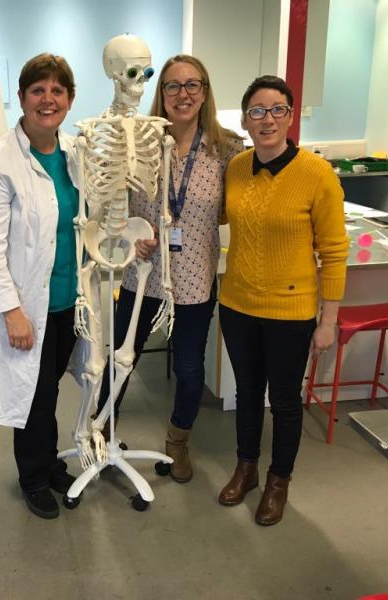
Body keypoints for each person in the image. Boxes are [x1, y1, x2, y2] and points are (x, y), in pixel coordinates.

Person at [95, 55, 244, 483]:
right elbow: (112, 209)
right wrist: (127, 234)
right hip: (143, 274)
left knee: (191, 368)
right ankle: (103, 432)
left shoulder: (226, 149)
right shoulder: (139, 144)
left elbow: (237, 209)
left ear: (205, 91)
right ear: (161, 93)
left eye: (192, 85)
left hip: (195, 279)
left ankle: (177, 443)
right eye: (173, 86)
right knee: (119, 358)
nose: (183, 94)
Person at [217, 75, 349, 526]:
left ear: (290, 117)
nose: (267, 119)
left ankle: (279, 480)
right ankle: (247, 467)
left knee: (286, 400)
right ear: (245, 119)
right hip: (236, 305)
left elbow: (334, 252)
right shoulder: (236, 168)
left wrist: (328, 320)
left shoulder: (316, 174)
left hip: (290, 313)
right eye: (257, 110)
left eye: (277, 109)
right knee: (248, 391)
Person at [0, 53, 79, 519]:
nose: (48, 99)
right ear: (22, 98)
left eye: (58, 91)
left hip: (69, 299)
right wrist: (12, 310)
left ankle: (48, 465)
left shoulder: (75, 154)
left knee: (47, 389)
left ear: (70, 99)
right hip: (28, 305)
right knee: (31, 395)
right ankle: (32, 477)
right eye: (38, 90)